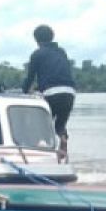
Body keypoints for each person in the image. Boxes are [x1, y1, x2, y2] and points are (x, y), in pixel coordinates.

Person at [21, 25, 77, 159]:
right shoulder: (61, 52)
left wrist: (24, 91)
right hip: (69, 92)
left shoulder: (37, 54)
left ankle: (41, 154)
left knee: (41, 125)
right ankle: (62, 139)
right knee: (60, 124)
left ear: (36, 40)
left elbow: (30, 77)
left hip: (51, 92)